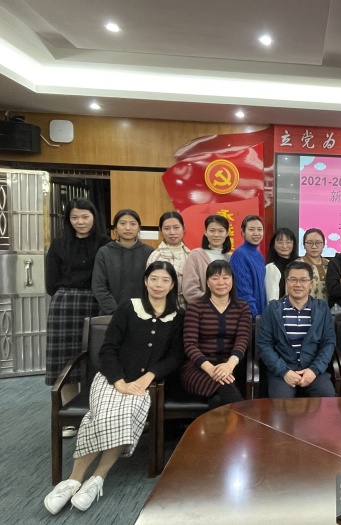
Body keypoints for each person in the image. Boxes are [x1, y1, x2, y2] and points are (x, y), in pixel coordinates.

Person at [43, 261, 184, 515]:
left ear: (173, 284)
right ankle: (73, 480)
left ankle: (97, 478)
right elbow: (107, 349)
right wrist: (119, 381)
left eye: (165, 280)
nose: (159, 285)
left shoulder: (178, 315)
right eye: (154, 279)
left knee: (125, 415)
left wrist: (148, 377)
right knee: (101, 415)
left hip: (144, 384)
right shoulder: (129, 308)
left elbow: (175, 356)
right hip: (111, 379)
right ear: (145, 281)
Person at [45, 199, 111, 440]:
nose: (80, 222)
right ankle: (70, 417)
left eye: (85, 217)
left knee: (94, 359)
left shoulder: (105, 243)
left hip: (95, 302)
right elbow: (51, 282)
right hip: (65, 304)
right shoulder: (59, 243)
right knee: (64, 359)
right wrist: (67, 295)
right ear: (68, 219)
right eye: (74, 217)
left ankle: (94, 411)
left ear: (94, 217)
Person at [257, 261, 336, 398]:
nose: (298, 284)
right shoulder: (272, 309)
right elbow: (264, 345)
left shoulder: (322, 309)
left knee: (327, 400)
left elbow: (328, 343)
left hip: (314, 370)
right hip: (282, 371)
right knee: (281, 404)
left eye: (303, 280)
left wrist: (314, 370)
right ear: (286, 282)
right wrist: (284, 371)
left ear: (311, 283)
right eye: (293, 279)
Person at [181, 261, 251, 408]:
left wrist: (229, 366)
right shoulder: (195, 307)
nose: (221, 282)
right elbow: (190, 345)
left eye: (225, 277)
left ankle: (216, 425)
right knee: (226, 386)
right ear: (207, 282)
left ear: (232, 280)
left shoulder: (242, 307)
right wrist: (212, 370)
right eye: (215, 278)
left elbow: (242, 339)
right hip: (198, 369)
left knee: (218, 399)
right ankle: (243, 421)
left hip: (231, 367)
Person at [92, 209, 154, 315]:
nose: (128, 228)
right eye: (122, 223)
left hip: (143, 313)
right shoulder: (104, 252)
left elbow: (154, 285)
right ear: (115, 228)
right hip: (111, 314)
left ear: (139, 228)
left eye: (133, 224)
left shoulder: (149, 252)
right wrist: (116, 311)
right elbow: (99, 286)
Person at [182, 215, 232, 305]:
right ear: (205, 232)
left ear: (227, 233)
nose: (216, 235)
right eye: (212, 230)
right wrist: (214, 305)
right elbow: (190, 291)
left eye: (221, 231)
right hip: (202, 310)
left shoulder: (231, 258)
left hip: (228, 309)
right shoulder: (195, 256)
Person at [147, 211, 191, 308]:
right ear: (160, 231)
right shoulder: (156, 256)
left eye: (176, 227)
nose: (172, 232)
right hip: (164, 307)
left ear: (184, 229)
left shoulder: (191, 254)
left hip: (189, 308)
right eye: (167, 228)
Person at [230, 214, 266, 317]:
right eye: (251, 229)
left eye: (259, 229)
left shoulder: (259, 255)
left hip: (260, 314)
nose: (256, 233)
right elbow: (242, 291)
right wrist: (253, 316)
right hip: (248, 316)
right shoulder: (240, 254)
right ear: (243, 232)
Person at [265, 227, 297, 303]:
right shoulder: (272, 268)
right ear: (273, 245)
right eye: (280, 242)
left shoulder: (299, 264)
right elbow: (272, 300)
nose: (284, 246)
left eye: (288, 242)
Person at [297, 228, 330, 301]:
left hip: (328, 307)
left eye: (318, 243)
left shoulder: (331, 265)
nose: (314, 246)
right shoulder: (296, 265)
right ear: (304, 245)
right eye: (309, 243)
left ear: (324, 244)